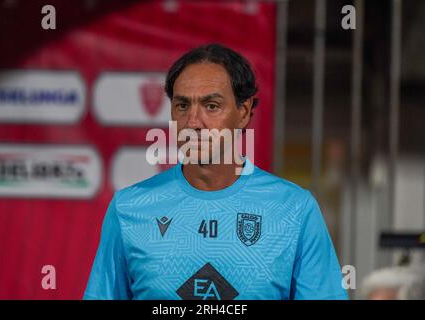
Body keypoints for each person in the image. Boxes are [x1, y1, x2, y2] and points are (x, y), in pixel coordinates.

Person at [84, 43, 348, 300]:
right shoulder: (129, 208)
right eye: (182, 106)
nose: (193, 122)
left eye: (211, 106)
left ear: (243, 112)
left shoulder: (295, 209)